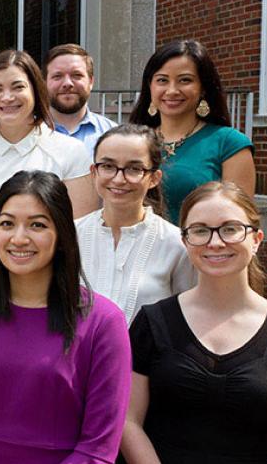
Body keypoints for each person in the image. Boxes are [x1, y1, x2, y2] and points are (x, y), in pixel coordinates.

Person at [0, 170, 132, 464]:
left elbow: (97, 447)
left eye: (37, 225)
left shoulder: (104, 321)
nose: (18, 238)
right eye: (7, 224)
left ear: (61, 235)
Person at [121, 181, 267, 464]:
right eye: (200, 230)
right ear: (185, 241)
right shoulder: (151, 322)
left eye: (230, 228)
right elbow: (127, 421)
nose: (215, 242)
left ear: (256, 239)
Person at [0, 49, 98, 249]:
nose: (7, 97)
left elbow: (80, 235)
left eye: (18, 87)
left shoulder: (71, 152)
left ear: (36, 90)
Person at [77, 124, 195, 324]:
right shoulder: (69, 236)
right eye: (108, 166)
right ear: (93, 171)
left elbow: (188, 316)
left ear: (154, 178)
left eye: (134, 169)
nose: (119, 179)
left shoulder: (176, 245)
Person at [129, 39, 254, 224]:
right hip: (137, 249)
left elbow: (239, 221)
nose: (172, 90)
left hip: (200, 250)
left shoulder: (229, 144)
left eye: (185, 80)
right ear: (150, 86)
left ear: (203, 88)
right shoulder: (132, 141)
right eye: (162, 80)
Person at [45, 44, 118, 155]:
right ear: (44, 82)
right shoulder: (27, 132)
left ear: (91, 82)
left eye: (76, 75)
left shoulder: (113, 134)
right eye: (57, 76)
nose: (67, 83)